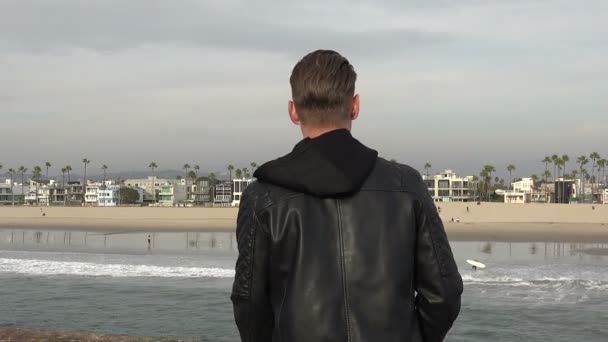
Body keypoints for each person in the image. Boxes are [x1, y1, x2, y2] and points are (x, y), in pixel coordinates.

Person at [231, 50, 463, 342]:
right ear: (355, 106)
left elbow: (249, 302)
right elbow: (444, 294)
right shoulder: (406, 185)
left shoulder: (262, 196)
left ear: (293, 111)